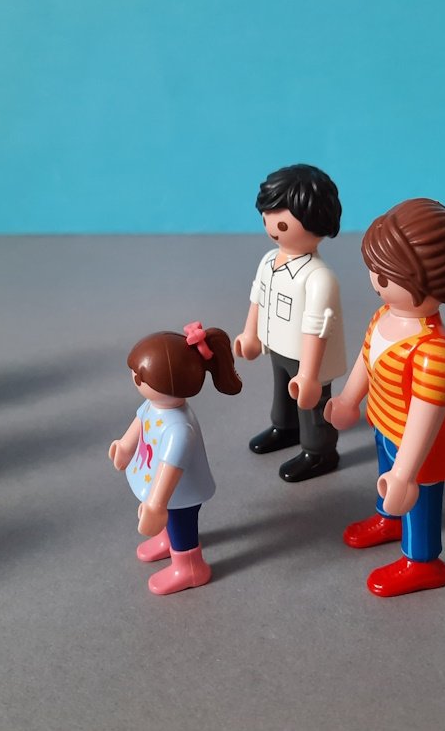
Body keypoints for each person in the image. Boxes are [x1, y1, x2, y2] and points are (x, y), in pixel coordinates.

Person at [325, 192, 445, 597]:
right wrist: (349, 399)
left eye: (385, 275)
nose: (374, 280)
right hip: (385, 425)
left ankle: (423, 561)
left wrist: (405, 473)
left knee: (419, 499)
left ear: (429, 283)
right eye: (374, 269)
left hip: (419, 449)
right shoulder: (384, 316)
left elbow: (424, 418)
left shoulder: (435, 352)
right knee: (388, 481)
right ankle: (389, 519)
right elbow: (368, 359)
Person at [109, 322, 242, 595]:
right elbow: (140, 422)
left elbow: (171, 467)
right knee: (171, 524)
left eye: (139, 376)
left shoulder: (179, 428)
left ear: (168, 383)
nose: (135, 379)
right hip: (159, 484)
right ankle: (166, 539)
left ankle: (190, 567)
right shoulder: (153, 404)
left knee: (181, 525)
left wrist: (157, 504)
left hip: (180, 493)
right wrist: (125, 446)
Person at [234, 164, 347, 483]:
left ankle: (320, 451)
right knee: (282, 392)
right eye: (267, 218)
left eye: (282, 222)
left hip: (309, 355)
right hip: (277, 344)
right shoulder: (269, 261)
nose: (272, 228)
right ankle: (285, 427)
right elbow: (258, 297)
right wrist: (250, 334)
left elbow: (316, 327)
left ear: (316, 222)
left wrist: (310, 375)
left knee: (313, 404)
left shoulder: (319, 277)